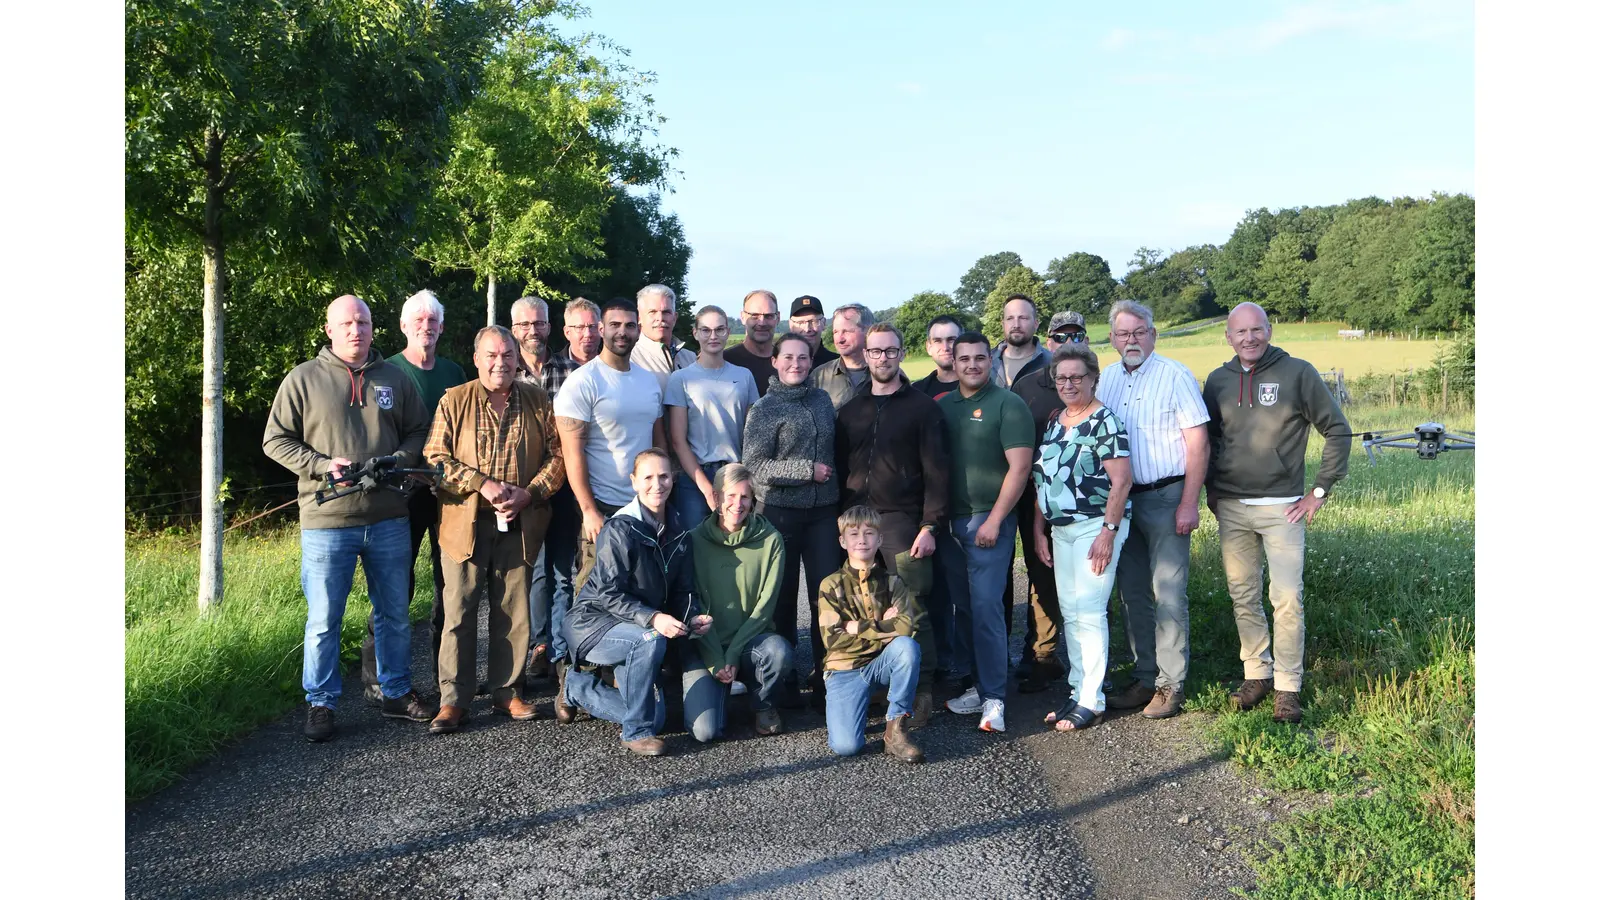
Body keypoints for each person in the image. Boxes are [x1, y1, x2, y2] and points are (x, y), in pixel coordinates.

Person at [263, 294, 434, 742]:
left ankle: (395, 692)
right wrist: (322, 463)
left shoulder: (394, 379)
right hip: (327, 520)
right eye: (346, 323)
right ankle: (321, 702)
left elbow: (419, 429)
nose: (356, 329)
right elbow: (275, 440)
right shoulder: (303, 379)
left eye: (363, 321)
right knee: (324, 618)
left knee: (394, 613)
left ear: (374, 327)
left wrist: (400, 458)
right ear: (329, 330)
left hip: (388, 517)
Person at [1202, 302, 1352, 725]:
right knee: (1243, 595)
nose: (1249, 338)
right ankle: (1257, 673)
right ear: (1228, 337)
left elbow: (1337, 429)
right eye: (1240, 332)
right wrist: (1212, 492)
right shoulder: (1217, 381)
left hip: (1282, 507)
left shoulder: (1298, 373)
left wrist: (1319, 490)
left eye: (1257, 329)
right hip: (1231, 506)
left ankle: (1288, 686)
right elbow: (1206, 440)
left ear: (1270, 329)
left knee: (1286, 598)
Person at [424, 326, 566, 734]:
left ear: (518, 358)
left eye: (507, 355)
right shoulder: (454, 399)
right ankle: (454, 700)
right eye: (491, 355)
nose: (500, 362)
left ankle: (507, 691)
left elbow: (557, 458)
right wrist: (481, 484)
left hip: (520, 522)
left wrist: (529, 493)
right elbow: (436, 459)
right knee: (460, 611)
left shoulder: (538, 400)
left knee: (513, 610)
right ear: (476, 359)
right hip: (464, 522)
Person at [1098, 300, 1211, 720]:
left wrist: (1189, 502)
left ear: (1153, 334)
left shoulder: (1175, 375)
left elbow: (1198, 444)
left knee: (1168, 592)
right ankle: (1145, 675)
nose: (1131, 340)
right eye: (1123, 333)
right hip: (1122, 502)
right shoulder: (1106, 379)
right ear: (1111, 339)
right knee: (1131, 594)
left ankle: (1170, 684)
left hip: (1166, 497)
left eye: (1139, 332)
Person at [558, 449, 711, 756]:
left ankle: (577, 688)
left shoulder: (680, 530)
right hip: (594, 623)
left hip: (636, 627)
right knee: (650, 639)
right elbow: (609, 595)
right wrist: (655, 618)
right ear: (634, 483)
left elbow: (683, 590)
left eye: (664, 476)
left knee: (657, 717)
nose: (658, 484)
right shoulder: (619, 528)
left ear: (673, 478)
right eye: (648, 478)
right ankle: (635, 732)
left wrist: (689, 618)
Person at [834, 323, 948, 725]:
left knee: (911, 606)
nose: (883, 358)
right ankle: (877, 683)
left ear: (902, 354)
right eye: (876, 351)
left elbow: (937, 473)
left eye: (891, 351)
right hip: (855, 522)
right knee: (865, 603)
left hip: (901, 522)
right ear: (865, 355)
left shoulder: (923, 408)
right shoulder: (850, 410)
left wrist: (930, 525)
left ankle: (923, 689)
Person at [359, 289, 468, 706]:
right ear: (404, 326)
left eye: (433, 320)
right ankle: (376, 679)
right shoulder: (387, 372)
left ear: (441, 326)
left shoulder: (455, 373)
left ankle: (448, 679)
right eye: (418, 320)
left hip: (445, 495)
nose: (426, 326)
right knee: (394, 589)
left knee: (449, 587)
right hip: (399, 496)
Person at [1030, 343, 1132, 733]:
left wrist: (1108, 533)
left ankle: (1092, 699)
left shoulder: (1105, 421)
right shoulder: (1057, 421)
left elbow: (1122, 482)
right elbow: (1044, 479)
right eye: (1062, 377)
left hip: (1095, 527)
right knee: (1070, 613)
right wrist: (1039, 530)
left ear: (1093, 379)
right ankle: (1078, 690)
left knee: (1089, 612)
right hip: (1061, 530)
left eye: (1077, 377)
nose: (1069, 383)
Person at [937, 332, 1035, 733]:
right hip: (949, 525)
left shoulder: (1008, 405)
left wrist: (995, 520)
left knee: (987, 612)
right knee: (964, 610)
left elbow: (1020, 468)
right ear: (953, 362)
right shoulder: (942, 407)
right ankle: (978, 685)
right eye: (965, 359)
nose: (973, 365)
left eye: (980, 358)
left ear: (990, 361)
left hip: (987, 521)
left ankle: (995, 697)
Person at [741, 333, 841, 705]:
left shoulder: (822, 399)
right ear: (776, 361)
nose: (796, 364)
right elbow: (755, 465)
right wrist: (806, 470)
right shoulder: (764, 409)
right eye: (789, 358)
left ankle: (825, 676)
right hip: (779, 514)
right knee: (782, 600)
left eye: (803, 357)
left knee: (825, 597)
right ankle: (781, 684)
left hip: (822, 514)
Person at [554, 298, 667, 591]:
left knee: (645, 587)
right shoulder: (583, 382)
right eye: (615, 325)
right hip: (602, 505)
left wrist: (663, 495)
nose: (622, 332)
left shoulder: (649, 381)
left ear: (638, 330)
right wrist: (589, 510)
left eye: (630, 325)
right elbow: (572, 452)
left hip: (645, 503)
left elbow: (658, 442)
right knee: (595, 590)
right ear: (602, 329)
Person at [1010, 311, 1091, 693]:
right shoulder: (1026, 387)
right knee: (1042, 576)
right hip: (1035, 499)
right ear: (1049, 341)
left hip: (1088, 501)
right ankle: (1042, 655)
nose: (1069, 343)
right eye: (1061, 337)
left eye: (1077, 336)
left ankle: (1089, 661)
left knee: (1087, 581)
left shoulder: (1097, 381)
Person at [683, 464, 793, 741]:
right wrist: (717, 659)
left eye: (745, 497)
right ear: (717, 498)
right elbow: (694, 603)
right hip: (707, 646)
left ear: (753, 500)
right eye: (730, 496)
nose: (738, 504)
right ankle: (701, 690)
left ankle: (763, 703)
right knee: (705, 732)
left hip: (750, 643)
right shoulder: (695, 540)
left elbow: (764, 607)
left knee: (778, 651)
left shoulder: (771, 540)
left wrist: (731, 655)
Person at [816, 505, 927, 763]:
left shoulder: (892, 582)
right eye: (854, 534)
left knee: (907, 648)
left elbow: (907, 627)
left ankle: (895, 732)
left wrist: (859, 626)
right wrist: (882, 626)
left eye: (869, 533)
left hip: (880, 664)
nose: (862, 540)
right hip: (844, 670)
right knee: (846, 746)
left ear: (880, 539)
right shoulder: (831, 585)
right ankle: (861, 700)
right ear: (843, 541)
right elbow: (833, 639)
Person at [510, 295, 581, 681]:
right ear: (514, 329)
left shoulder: (570, 370)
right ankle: (540, 644)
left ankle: (561, 646)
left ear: (550, 328)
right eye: (524, 324)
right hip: (523, 486)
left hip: (565, 480)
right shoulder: (505, 372)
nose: (532, 330)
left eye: (538, 323)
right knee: (535, 570)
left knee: (563, 569)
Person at [665, 305, 761, 528]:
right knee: (695, 545)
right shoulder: (681, 379)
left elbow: (752, 431)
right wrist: (706, 487)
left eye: (719, 329)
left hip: (735, 472)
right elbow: (678, 440)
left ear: (728, 331)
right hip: (696, 476)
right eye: (706, 330)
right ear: (695, 333)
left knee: (734, 541)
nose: (713, 336)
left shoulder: (744, 376)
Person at [633, 283, 696, 393]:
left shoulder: (690, 359)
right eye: (652, 312)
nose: (660, 318)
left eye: (666, 312)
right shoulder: (630, 360)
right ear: (639, 318)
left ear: (674, 318)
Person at [810, 303, 873, 410]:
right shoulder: (819, 376)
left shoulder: (885, 372)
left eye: (846, 331)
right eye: (835, 332)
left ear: (867, 331)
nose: (840, 339)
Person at [724, 290, 781, 396]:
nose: (762, 322)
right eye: (754, 316)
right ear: (742, 317)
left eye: (769, 316)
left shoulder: (789, 363)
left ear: (778, 318)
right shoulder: (725, 362)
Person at [993, 293, 1051, 391]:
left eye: (1023, 318)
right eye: (1010, 318)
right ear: (1003, 324)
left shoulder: (1053, 363)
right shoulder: (986, 363)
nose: (1016, 325)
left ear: (1036, 324)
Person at [912, 314, 963, 400]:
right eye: (937, 341)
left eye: (951, 340)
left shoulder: (980, 387)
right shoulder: (915, 393)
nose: (945, 348)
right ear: (928, 347)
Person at [786, 295, 838, 367]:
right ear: (790, 325)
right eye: (800, 323)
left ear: (824, 323)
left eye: (813, 321)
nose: (807, 329)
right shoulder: (781, 364)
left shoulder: (838, 364)